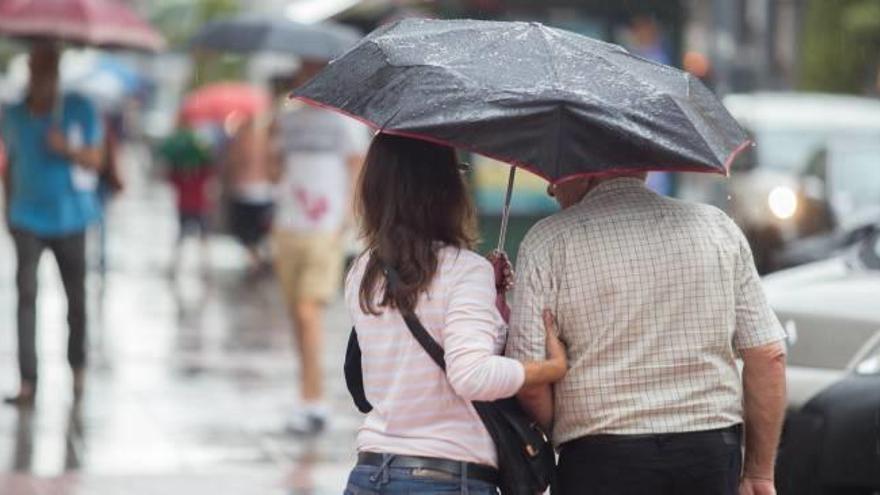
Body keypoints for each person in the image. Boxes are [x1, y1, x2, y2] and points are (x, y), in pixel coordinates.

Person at [508, 173, 788, 495]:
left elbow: (527, 378)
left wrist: (567, 429)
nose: (551, 189)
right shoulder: (718, 229)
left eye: (555, 178)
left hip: (598, 460)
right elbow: (768, 355)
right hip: (708, 453)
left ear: (583, 172)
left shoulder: (548, 241)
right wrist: (758, 472)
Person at [344, 133, 568, 494]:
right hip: (446, 478)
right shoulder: (463, 270)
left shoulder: (362, 271)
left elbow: (408, 351)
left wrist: (489, 301)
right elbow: (471, 375)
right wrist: (548, 369)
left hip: (370, 474)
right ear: (443, 188)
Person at [1, 42, 104, 406]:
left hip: (71, 217)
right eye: (34, 67)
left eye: (46, 68)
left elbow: (96, 160)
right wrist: (8, 210)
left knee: (75, 299)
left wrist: (66, 148)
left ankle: (78, 369)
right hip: (26, 217)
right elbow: (9, 163)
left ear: (57, 72)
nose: (39, 75)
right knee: (25, 296)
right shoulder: (13, 113)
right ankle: (28, 381)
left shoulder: (79, 108)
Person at [270, 62, 370, 434]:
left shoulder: (347, 123)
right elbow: (274, 171)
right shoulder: (286, 119)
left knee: (308, 310)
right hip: (287, 225)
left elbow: (356, 172)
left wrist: (346, 222)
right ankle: (306, 394)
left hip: (323, 229)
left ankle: (315, 401)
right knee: (296, 315)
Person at [159, 123, 214, 277]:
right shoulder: (187, 174)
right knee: (188, 237)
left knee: (195, 238)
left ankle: (201, 266)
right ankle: (185, 266)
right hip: (190, 206)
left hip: (194, 206)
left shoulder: (196, 173)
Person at [225, 115, 274, 275]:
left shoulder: (240, 140)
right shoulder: (267, 139)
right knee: (258, 231)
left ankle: (255, 258)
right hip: (265, 191)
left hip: (244, 191)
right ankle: (257, 257)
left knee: (246, 231)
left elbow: (233, 164)